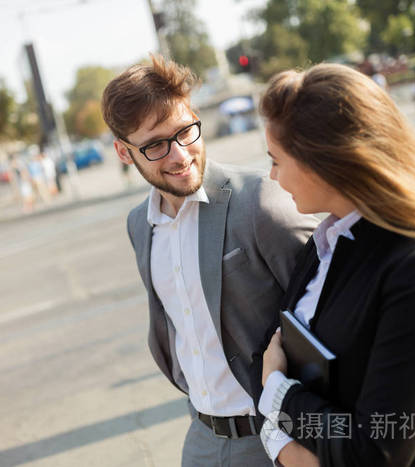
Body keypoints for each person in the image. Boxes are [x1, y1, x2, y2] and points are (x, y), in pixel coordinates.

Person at [257, 63, 415, 466]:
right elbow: (278, 349)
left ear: (322, 161)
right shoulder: (327, 242)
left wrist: (279, 397)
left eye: (276, 160)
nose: (272, 177)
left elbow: (375, 451)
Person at [101, 55, 317, 466]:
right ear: (124, 153)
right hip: (201, 438)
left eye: (186, 131)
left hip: (273, 435)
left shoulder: (259, 202)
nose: (180, 155)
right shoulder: (139, 226)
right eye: (156, 145)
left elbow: (331, 311)